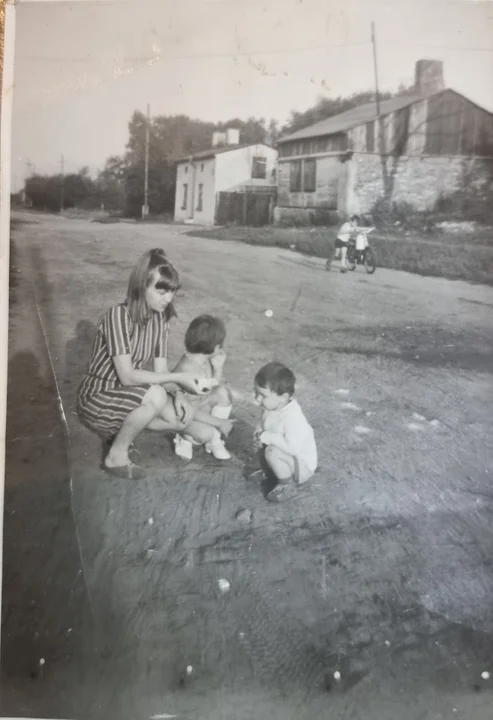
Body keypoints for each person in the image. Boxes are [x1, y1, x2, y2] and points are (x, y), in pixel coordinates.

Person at [77, 247, 203, 480]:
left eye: (172, 291)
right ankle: (116, 455)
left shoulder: (160, 319)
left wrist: (179, 395)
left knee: (178, 418)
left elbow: (161, 370)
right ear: (141, 286)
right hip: (98, 395)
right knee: (155, 395)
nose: (168, 298)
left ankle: (119, 433)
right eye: (161, 290)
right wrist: (178, 379)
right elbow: (126, 376)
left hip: (127, 394)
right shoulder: (117, 316)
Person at [253, 362, 317, 503]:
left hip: (301, 466)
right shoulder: (271, 406)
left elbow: (293, 448)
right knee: (263, 445)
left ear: (283, 397)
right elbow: (263, 421)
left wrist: (267, 436)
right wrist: (258, 433)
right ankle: (270, 473)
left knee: (271, 451)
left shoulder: (293, 417)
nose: (257, 399)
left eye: (262, 395)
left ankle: (287, 484)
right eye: (256, 392)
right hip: (284, 454)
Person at [172, 315, 234, 461]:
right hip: (184, 413)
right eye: (220, 343)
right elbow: (191, 410)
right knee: (205, 434)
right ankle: (185, 437)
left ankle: (214, 439)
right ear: (214, 346)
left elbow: (211, 387)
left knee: (222, 392)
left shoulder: (202, 360)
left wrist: (218, 368)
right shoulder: (189, 369)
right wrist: (220, 422)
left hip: (198, 406)